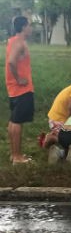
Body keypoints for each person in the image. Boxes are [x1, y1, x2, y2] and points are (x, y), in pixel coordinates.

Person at [5, 16, 34, 165]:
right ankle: (17, 157)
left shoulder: (12, 41)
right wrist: (19, 79)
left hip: (14, 89)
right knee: (17, 122)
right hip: (21, 89)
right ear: (23, 27)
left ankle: (14, 154)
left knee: (13, 121)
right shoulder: (19, 43)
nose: (31, 28)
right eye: (29, 25)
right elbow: (11, 62)